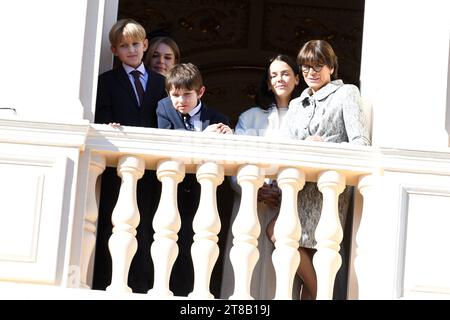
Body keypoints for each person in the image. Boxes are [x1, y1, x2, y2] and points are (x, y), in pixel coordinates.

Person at [267, 40, 371, 300]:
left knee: (318, 257)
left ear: (331, 67)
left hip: (327, 192)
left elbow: (361, 142)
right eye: (305, 68)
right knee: (278, 233)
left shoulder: (346, 93)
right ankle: (323, 295)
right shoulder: (296, 104)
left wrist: (326, 147)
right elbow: (287, 147)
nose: (311, 73)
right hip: (298, 191)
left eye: (317, 66)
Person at [92, 18, 167, 293]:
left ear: (145, 45)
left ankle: (142, 285)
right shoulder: (107, 82)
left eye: (136, 44)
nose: (132, 50)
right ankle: (106, 281)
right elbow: (102, 114)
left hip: (150, 172)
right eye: (125, 46)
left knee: (148, 226)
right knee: (114, 224)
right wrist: (107, 125)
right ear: (115, 50)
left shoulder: (162, 83)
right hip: (118, 170)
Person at [220, 54, 301, 299]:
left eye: (286, 73)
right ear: (267, 83)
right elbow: (237, 164)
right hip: (251, 203)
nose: (280, 79)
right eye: (274, 75)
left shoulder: (306, 116)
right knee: (246, 270)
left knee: (283, 272)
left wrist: (284, 191)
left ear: (297, 79)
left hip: (290, 204)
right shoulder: (250, 117)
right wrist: (255, 190)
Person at [156, 62, 232, 297]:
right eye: (175, 95)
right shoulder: (164, 108)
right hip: (172, 193)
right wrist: (200, 138)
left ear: (200, 92)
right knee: (168, 246)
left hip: (204, 196)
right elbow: (166, 141)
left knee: (199, 247)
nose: (180, 101)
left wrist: (229, 137)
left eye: (186, 94)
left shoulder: (218, 119)